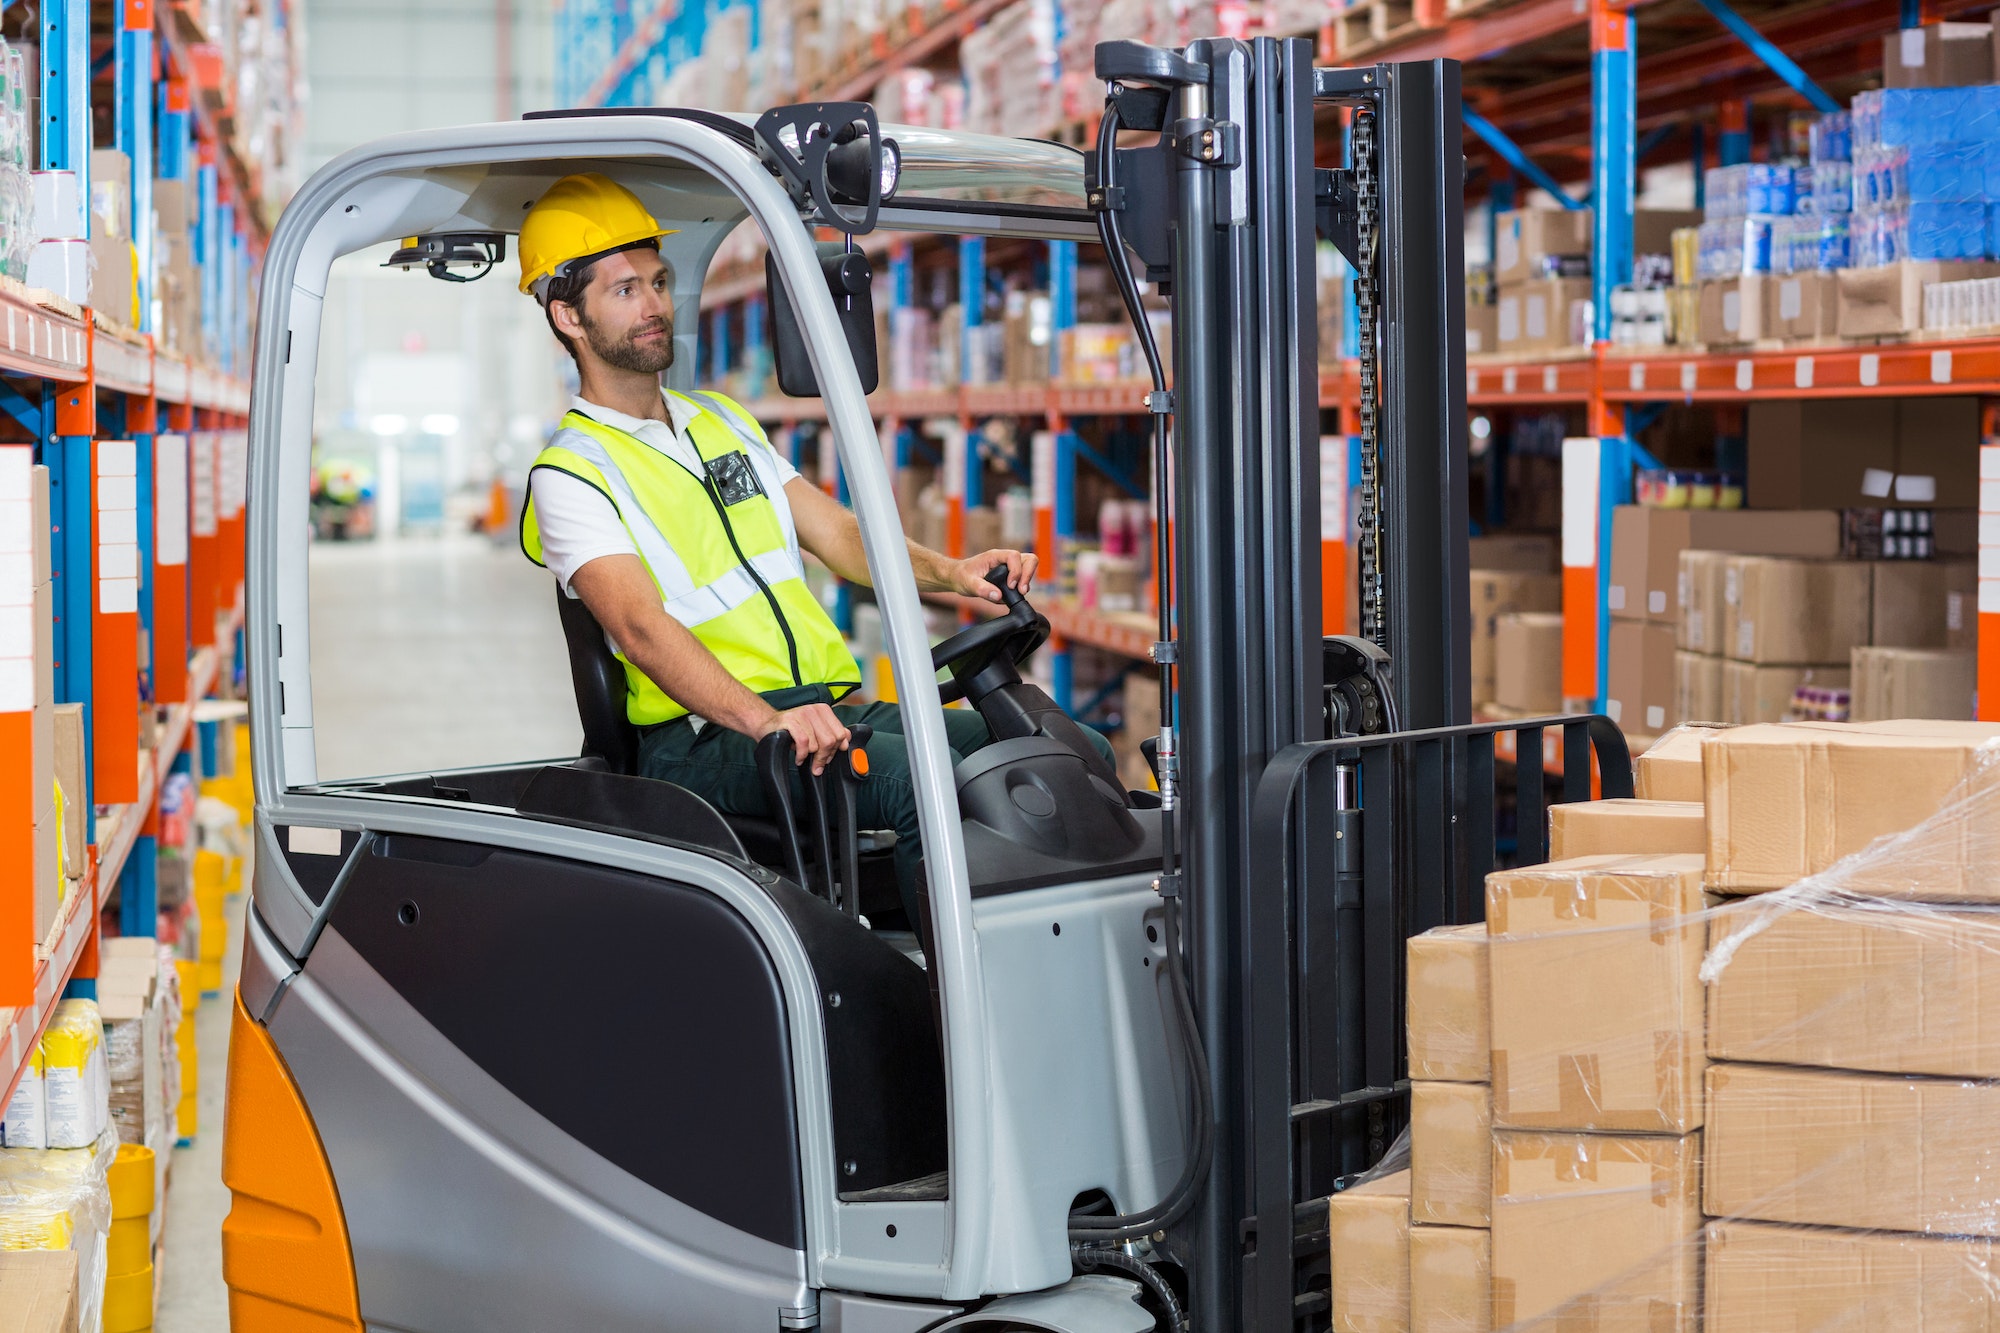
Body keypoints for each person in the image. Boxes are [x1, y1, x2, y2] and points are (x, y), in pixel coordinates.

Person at [515, 173, 1114, 924]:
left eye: (660, 283)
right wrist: (764, 721)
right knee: (917, 781)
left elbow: (836, 533)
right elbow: (639, 629)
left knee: (1068, 749)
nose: (657, 306)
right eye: (626, 290)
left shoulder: (722, 421)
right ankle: (955, 1019)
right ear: (568, 314)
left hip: (822, 712)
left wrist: (952, 573)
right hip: (711, 738)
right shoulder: (573, 471)